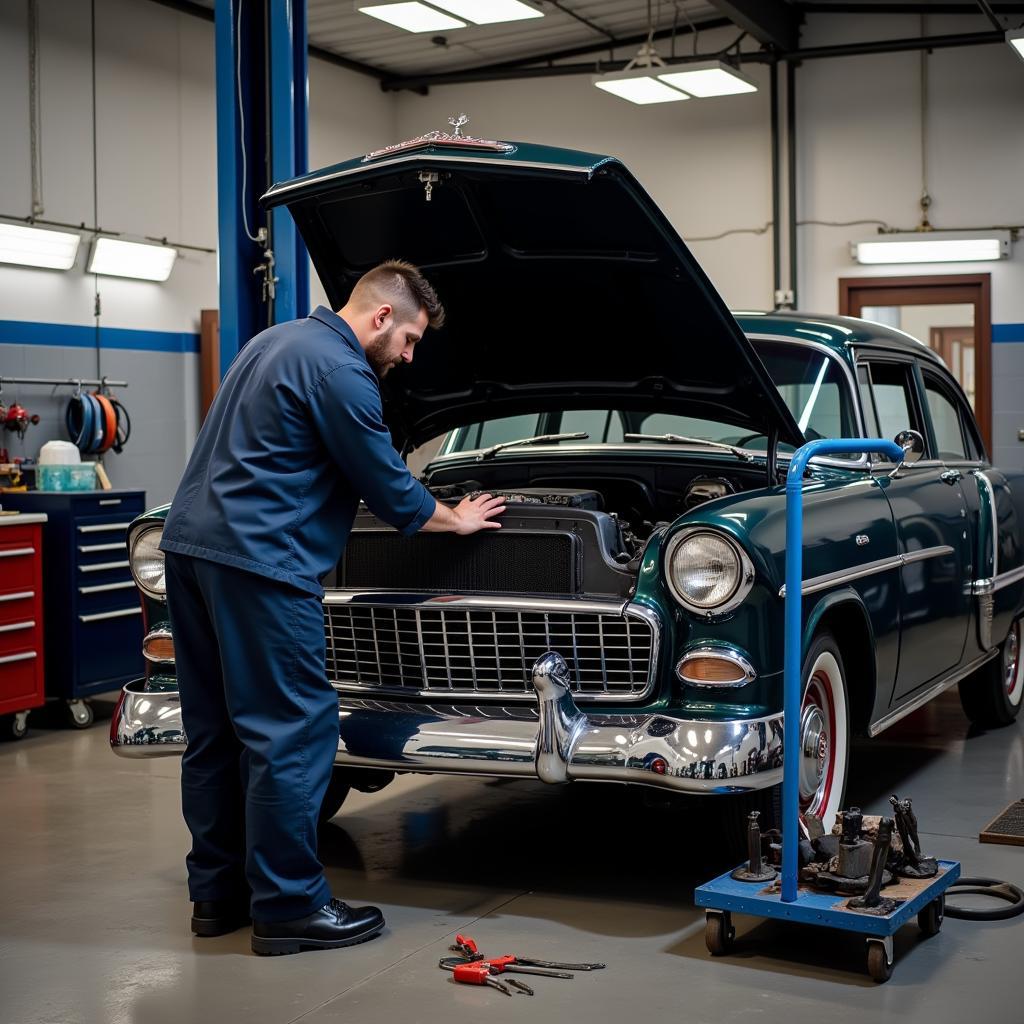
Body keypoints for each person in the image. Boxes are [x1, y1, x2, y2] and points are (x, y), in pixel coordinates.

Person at [160, 260, 505, 955]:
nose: (409, 358)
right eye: (408, 340)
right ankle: (289, 907)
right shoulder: (342, 371)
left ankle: (217, 894)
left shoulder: (273, 341)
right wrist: (455, 519)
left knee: (216, 733)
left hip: (191, 549)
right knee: (291, 731)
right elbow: (388, 486)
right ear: (380, 318)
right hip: (262, 559)